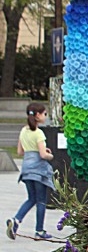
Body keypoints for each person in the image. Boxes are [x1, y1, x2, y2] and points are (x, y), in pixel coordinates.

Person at [6, 103, 55, 240]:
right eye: (45, 114)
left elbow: (20, 152)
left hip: (26, 169)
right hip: (38, 170)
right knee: (41, 201)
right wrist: (50, 155)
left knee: (31, 198)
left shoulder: (23, 131)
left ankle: (16, 220)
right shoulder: (39, 133)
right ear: (38, 115)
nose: (46, 116)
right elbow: (43, 155)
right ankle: (39, 231)